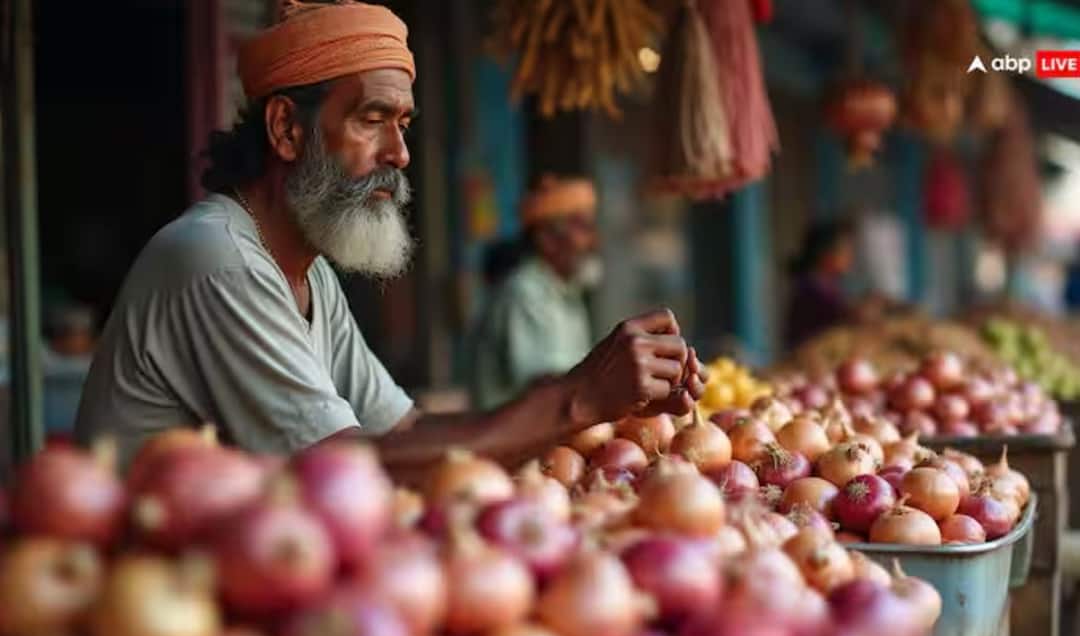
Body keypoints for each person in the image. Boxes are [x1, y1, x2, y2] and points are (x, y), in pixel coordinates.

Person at [74, 1, 706, 481]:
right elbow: (342, 473)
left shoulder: (309, 275)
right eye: (371, 119)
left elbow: (407, 433)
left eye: (403, 123)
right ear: (287, 129)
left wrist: (602, 387)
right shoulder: (219, 260)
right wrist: (578, 400)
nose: (400, 153)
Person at [470, 176, 602, 410]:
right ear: (546, 239)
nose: (594, 241)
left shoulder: (567, 292)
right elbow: (545, 388)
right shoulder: (525, 292)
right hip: (512, 432)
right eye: (583, 228)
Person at [784, 218, 859, 350]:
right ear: (826, 254)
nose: (850, 257)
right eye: (845, 251)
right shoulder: (811, 289)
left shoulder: (828, 285)